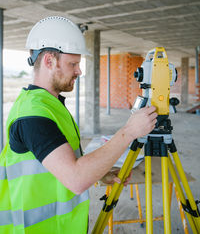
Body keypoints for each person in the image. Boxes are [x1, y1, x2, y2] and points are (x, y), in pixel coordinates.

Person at [0, 16, 157, 233]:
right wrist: (129, 131)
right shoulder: (32, 114)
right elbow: (75, 178)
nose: (79, 71)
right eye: (73, 64)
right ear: (48, 61)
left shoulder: (50, 105)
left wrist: (99, 172)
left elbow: (59, 165)